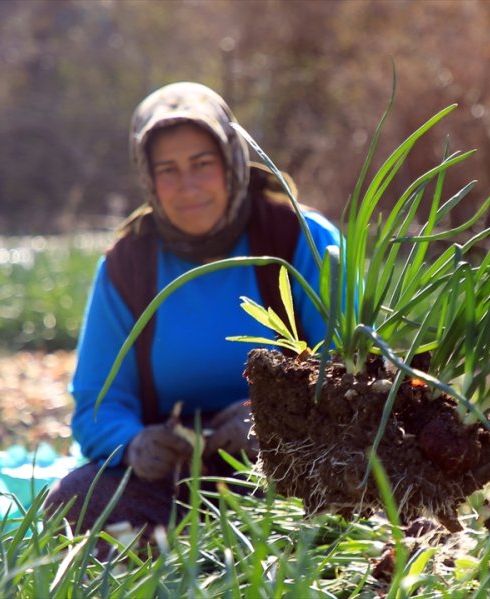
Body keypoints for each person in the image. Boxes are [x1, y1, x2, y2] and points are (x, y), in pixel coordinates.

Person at [45, 81, 341, 535]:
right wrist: (134, 444)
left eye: (202, 164)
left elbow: (348, 374)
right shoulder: (128, 265)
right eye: (168, 170)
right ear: (148, 178)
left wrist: (273, 421)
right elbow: (96, 406)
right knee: (73, 500)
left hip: (290, 472)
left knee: (340, 497)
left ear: (232, 161)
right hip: (170, 482)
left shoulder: (302, 239)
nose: (187, 186)